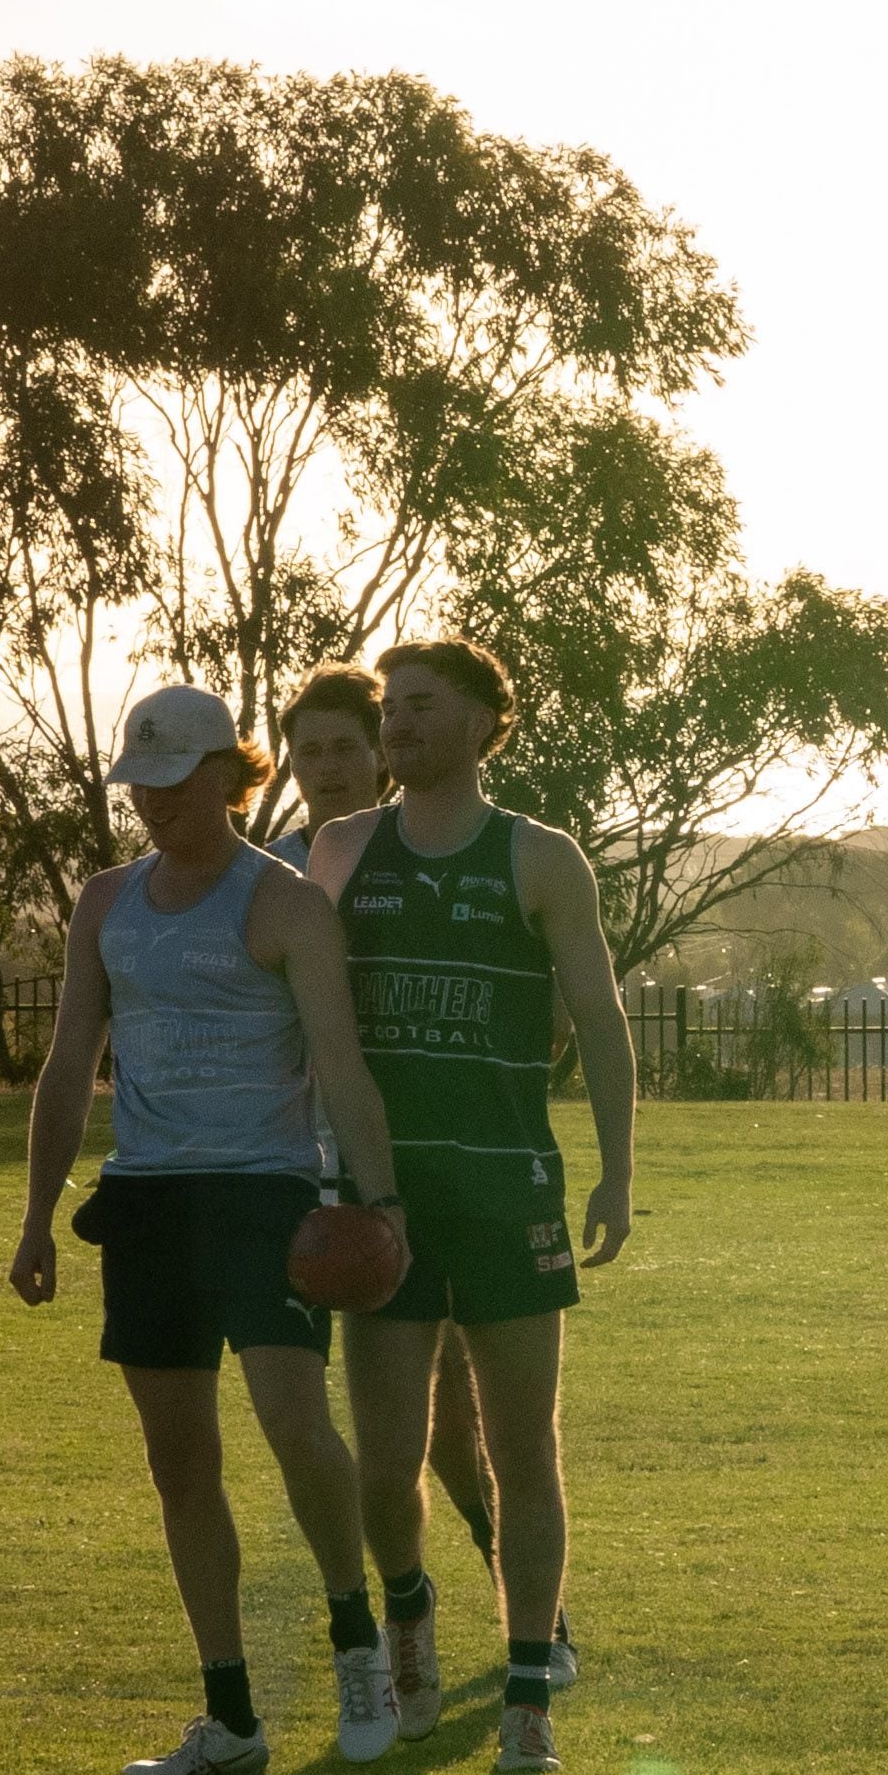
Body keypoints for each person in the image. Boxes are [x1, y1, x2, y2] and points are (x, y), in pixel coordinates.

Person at [11, 686, 416, 1775]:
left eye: (173, 781)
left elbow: (343, 1068)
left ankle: (358, 1643)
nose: (151, 802)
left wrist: (381, 1206)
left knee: (294, 1424)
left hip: (263, 1197)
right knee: (179, 1461)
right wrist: (37, 1216)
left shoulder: (286, 904)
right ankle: (230, 1719)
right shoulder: (106, 902)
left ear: (227, 776)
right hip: (146, 1202)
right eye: (138, 784)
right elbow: (68, 1065)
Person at [305, 639, 634, 1775]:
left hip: (507, 1193)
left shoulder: (541, 857)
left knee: (523, 1451)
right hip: (384, 1206)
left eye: (421, 706)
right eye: (390, 707)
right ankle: (410, 1619)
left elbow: (600, 1019)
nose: (396, 725)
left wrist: (617, 1171)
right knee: (387, 1464)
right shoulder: (341, 849)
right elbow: (295, 1007)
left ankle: (529, 1690)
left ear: (488, 721)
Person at [277, 662, 567, 1709]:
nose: (329, 768)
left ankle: (533, 1619)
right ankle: (416, 1604)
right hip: (346, 1187)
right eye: (308, 753)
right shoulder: (299, 868)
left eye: (345, 747)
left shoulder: (498, 853)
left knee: (476, 1430)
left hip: (471, 1185)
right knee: (397, 1443)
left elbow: (554, 1013)